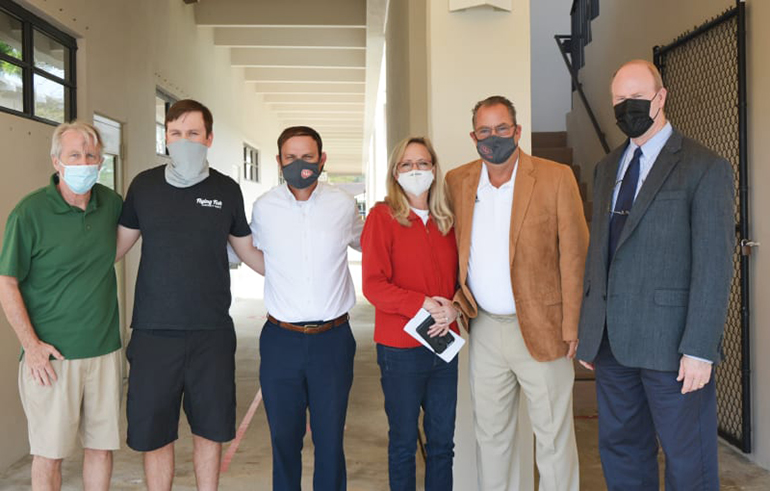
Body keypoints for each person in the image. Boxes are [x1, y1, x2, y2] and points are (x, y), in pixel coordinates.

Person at [576, 59, 734, 491]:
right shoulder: (607, 168)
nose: (628, 108)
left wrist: (700, 348)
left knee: (689, 463)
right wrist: (591, 329)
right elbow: (601, 252)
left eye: (638, 98)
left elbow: (714, 264)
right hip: (612, 346)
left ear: (661, 98)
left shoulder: (705, 167)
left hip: (674, 350)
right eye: (619, 101)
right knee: (622, 452)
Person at [116, 99, 264, 491]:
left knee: (210, 431)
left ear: (209, 139)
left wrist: (304, 273)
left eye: (193, 134)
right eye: (176, 133)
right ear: (166, 136)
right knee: (155, 435)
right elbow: (113, 249)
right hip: (153, 332)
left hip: (210, 333)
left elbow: (248, 251)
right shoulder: (144, 187)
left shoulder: (226, 189)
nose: (184, 141)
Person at [446, 95, 588, 491]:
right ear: (473, 136)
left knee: (554, 439)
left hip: (545, 326)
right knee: (492, 438)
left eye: (502, 128)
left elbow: (575, 256)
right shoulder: (457, 181)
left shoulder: (555, 177)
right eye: (485, 131)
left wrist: (573, 324)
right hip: (486, 328)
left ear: (518, 131)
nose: (494, 137)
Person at [0, 122, 122, 491]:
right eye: (74, 155)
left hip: (105, 353)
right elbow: (6, 283)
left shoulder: (111, 204)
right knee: (49, 455)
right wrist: (31, 346)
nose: (84, 162)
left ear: (100, 160)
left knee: (101, 449)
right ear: (56, 161)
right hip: (52, 358)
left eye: (90, 155)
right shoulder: (30, 213)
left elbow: (116, 249)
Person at [250, 125, 363, 491]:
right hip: (281, 340)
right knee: (284, 441)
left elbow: (376, 247)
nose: (300, 164)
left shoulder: (343, 205)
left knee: (330, 441)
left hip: (333, 340)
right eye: (291, 157)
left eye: (308, 157)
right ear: (279, 161)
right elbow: (252, 251)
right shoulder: (265, 208)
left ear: (322, 159)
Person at [361, 136, 459, 491]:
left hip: (444, 349)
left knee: (442, 445)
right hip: (400, 350)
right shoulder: (381, 217)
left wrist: (454, 307)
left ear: (434, 169)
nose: (415, 170)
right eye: (406, 164)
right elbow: (373, 285)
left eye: (422, 163)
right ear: (395, 172)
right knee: (403, 444)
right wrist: (421, 303)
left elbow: (461, 279)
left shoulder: (447, 220)